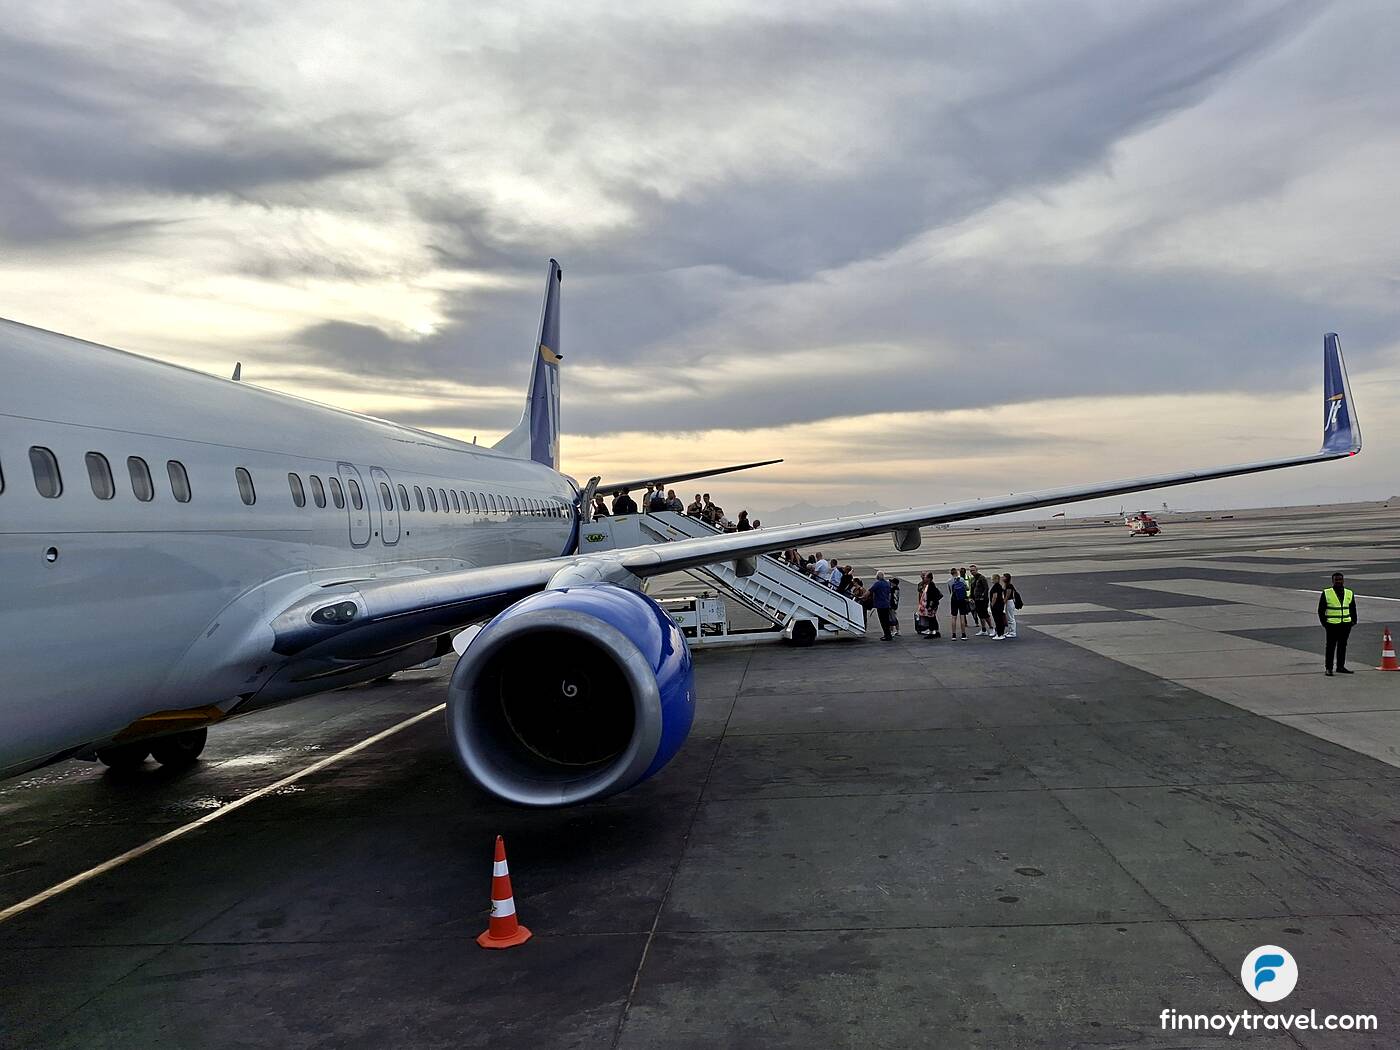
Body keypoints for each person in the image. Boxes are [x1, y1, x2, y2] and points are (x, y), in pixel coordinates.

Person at [1318, 571, 1358, 675]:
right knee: (1330, 646)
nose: (1339, 581)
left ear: (1343, 580)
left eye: (1340, 579)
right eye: (1336, 580)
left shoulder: (1349, 592)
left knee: (1342, 646)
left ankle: (1340, 666)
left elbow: (1352, 607)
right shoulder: (1327, 593)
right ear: (1333, 581)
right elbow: (1321, 610)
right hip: (1332, 624)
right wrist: (1324, 623)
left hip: (1346, 624)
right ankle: (1329, 668)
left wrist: (1353, 621)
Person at [869, 571, 894, 640]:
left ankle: (887, 635)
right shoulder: (887, 583)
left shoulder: (877, 584)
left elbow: (870, 591)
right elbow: (889, 594)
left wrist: (863, 597)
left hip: (880, 605)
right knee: (886, 620)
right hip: (886, 604)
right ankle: (888, 634)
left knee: (883, 621)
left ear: (877, 577)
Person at [969, 564, 991, 636]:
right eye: (971, 571)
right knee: (980, 614)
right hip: (976, 599)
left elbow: (986, 588)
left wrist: (983, 596)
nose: (972, 572)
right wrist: (971, 597)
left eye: (973, 570)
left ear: (976, 570)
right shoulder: (973, 579)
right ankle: (983, 629)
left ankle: (991, 628)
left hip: (982, 599)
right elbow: (972, 589)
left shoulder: (982, 578)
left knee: (985, 614)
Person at [948, 567, 968, 639]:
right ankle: (963, 634)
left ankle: (954, 635)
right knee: (962, 616)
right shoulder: (962, 580)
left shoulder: (949, 581)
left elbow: (950, 591)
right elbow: (966, 588)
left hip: (954, 599)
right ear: (957, 572)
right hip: (961, 599)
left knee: (954, 617)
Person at [1002, 573, 1022, 639]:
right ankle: (1010, 631)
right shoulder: (1005, 585)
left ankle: (1013, 632)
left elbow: (1007, 595)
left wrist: (1003, 602)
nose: (1002, 578)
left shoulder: (1009, 586)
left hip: (1009, 602)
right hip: (1008, 602)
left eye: (1004, 577)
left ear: (1007, 578)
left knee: (1011, 617)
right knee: (1008, 617)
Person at [989, 574, 1007, 639]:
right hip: (1000, 605)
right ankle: (1001, 633)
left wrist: (992, 605)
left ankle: (999, 634)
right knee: (1000, 619)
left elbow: (995, 597)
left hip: (996, 605)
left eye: (992, 579)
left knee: (997, 620)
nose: (991, 580)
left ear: (996, 579)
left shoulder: (995, 587)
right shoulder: (999, 586)